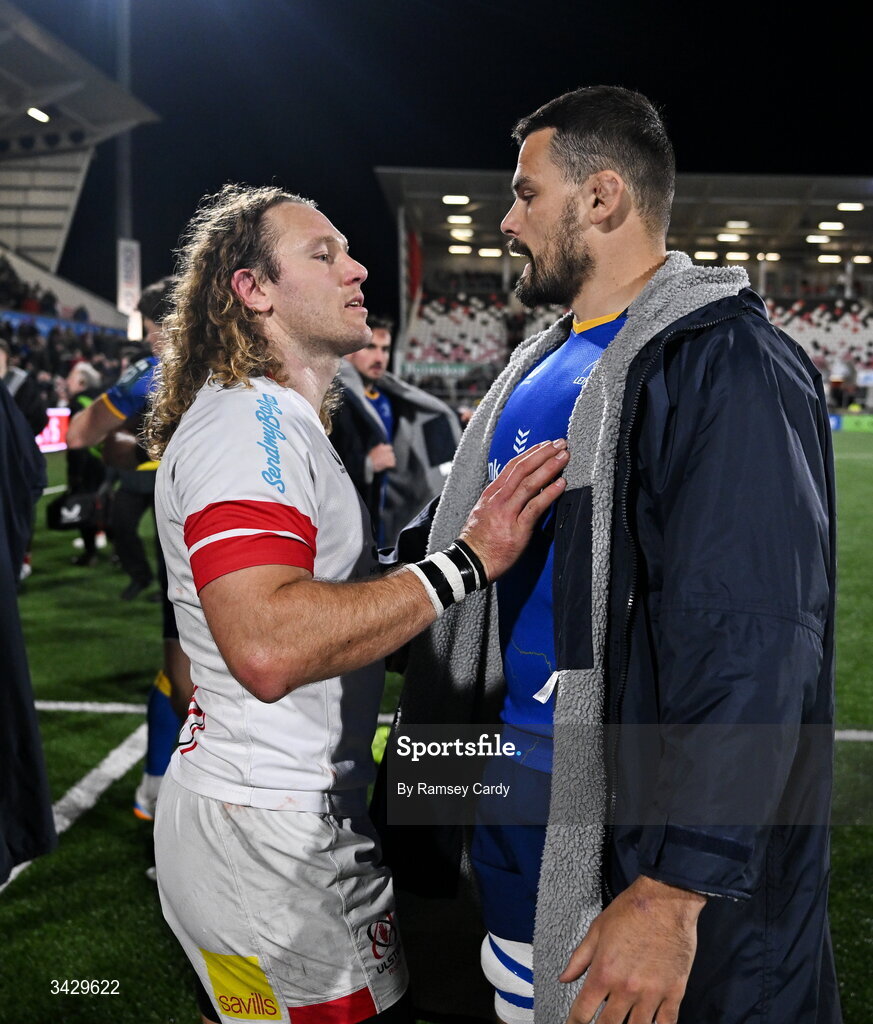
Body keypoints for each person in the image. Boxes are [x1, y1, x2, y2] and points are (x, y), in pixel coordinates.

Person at [379, 86, 839, 1024]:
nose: (506, 221)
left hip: (631, 833)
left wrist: (676, 888)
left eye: (523, 195)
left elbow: (749, 637)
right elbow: (454, 550)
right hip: (514, 802)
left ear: (600, 198)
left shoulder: (724, 361)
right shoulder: (538, 363)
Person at [144, 182, 567, 1024]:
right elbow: (265, 645)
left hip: (245, 830)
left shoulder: (273, 422)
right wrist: (468, 563)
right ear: (252, 291)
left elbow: (202, 656)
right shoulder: (250, 428)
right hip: (274, 848)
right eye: (322, 253)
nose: (357, 268)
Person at [66, 278, 189, 822]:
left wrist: (140, 445)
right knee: (203, 672)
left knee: (190, 672)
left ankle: (166, 788)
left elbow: (79, 434)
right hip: (228, 534)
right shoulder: (247, 362)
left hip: (192, 539)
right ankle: (164, 787)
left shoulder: (158, 371)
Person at [331, 315, 461, 547]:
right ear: (350, 349)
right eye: (370, 348)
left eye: (385, 349)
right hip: (347, 528)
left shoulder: (388, 397)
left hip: (389, 522)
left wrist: (458, 414)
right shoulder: (336, 400)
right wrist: (366, 464)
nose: (380, 358)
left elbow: (424, 405)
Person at [63, 361, 107, 566]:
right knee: (105, 503)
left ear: (81, 381)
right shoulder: (100, 397)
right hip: (105, 459)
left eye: (71, 377)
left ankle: (90, 554)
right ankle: (118, 552)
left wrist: (74, 473)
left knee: (85, 506)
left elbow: (76, 441)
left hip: (86, 463)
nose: (67, 381)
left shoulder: (77, 403)